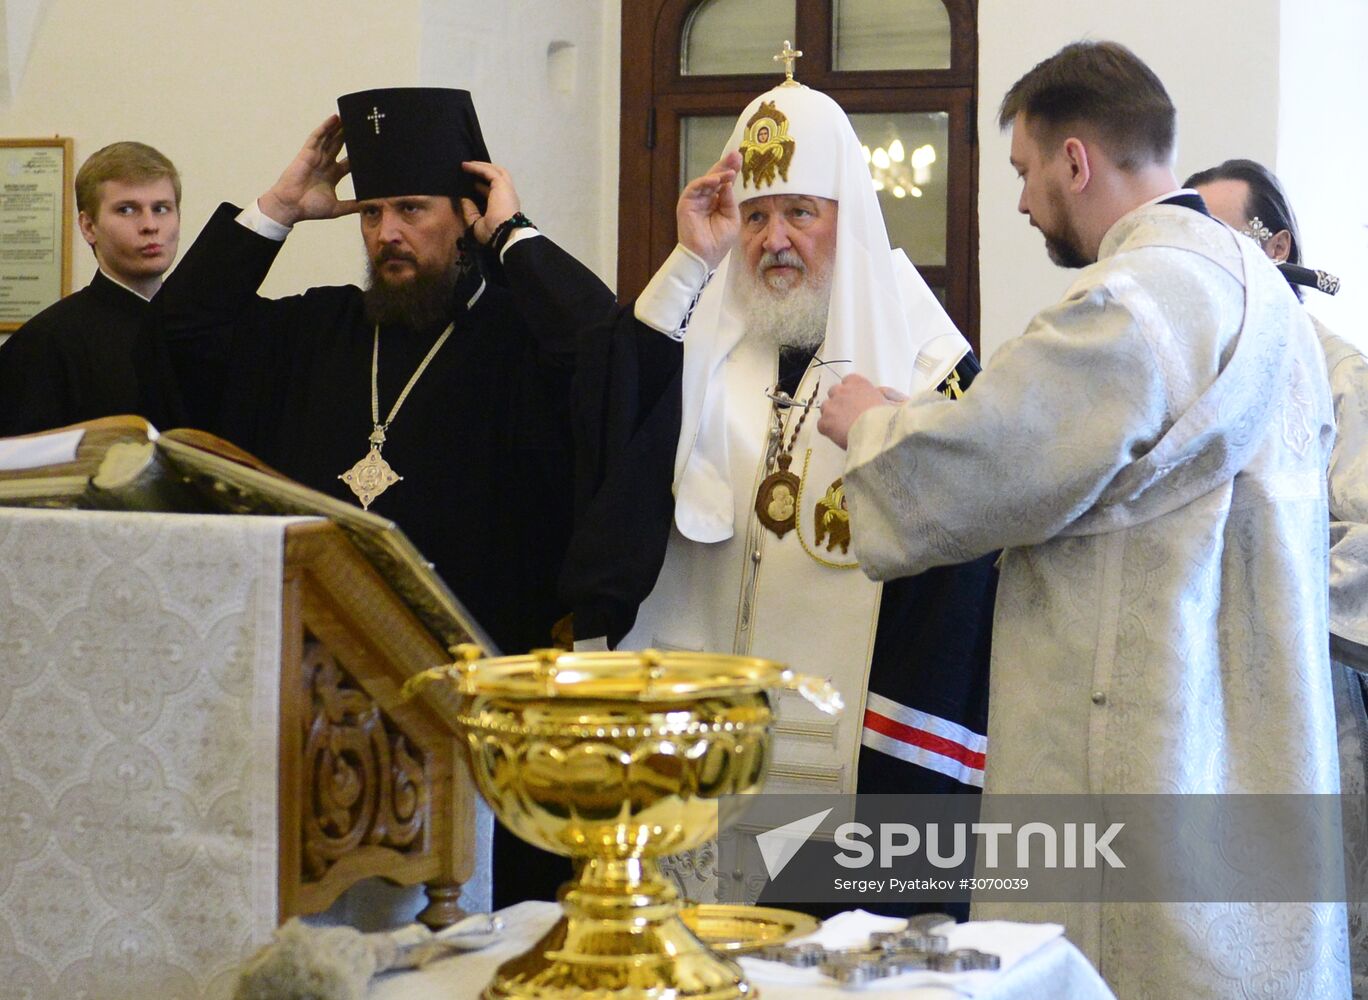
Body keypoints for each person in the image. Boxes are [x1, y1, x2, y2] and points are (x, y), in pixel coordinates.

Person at [817, 42, 1349, 996]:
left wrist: (871, 428)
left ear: (1076, 159)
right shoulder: (1265, 295)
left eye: (1024, 171)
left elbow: (994, 457)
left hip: (1142, 742)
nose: (1021, 202)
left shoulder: (1133, 303)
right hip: (1253, 741)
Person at [154, 88, 617, 907]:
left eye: (411, 209)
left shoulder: (521, 338)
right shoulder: (322, 330)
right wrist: (279, 209)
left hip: (482, 694)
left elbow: (610, 356)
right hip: (324, 697)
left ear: (467, 213)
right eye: (372, 214)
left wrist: (515, 236)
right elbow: (181, 335)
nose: (387, 234)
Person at [560, 73, 997, 906]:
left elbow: (962, 579)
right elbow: (608, 440)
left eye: (801, 212)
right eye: (755, 217)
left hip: (841, 769)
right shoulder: (709, 340)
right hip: (694, 763)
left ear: (850, 218)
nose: (774, 241)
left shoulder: (926, 367)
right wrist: (692, 257)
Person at [1188, 157, 1367, 994]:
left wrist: (1251, 596)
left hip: (1313, 705)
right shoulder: (1197, 373)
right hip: (1200, 702)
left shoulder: (1344, 378)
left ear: (1279, 245)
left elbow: (1364, 547)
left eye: (1223, 240)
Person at [0, 141, 184, 434]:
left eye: (161, 208)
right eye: (127, 210)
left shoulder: (199, 326)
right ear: (88, 227)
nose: (150, 225)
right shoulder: (47, 342)